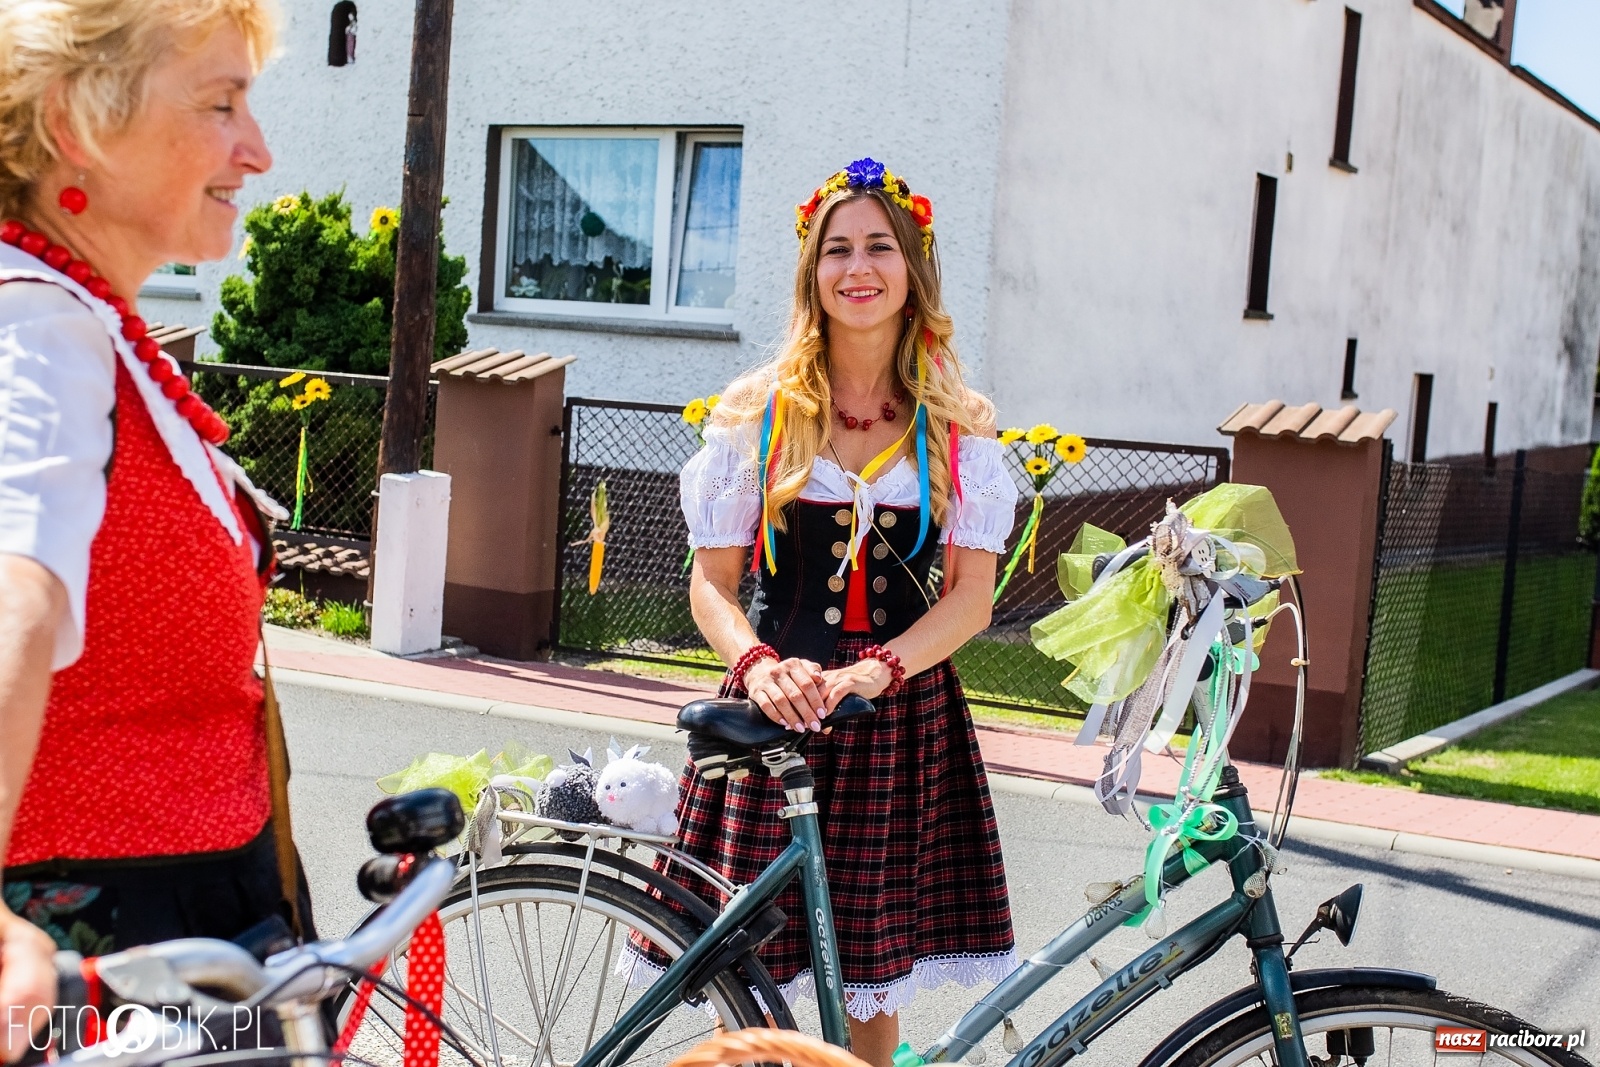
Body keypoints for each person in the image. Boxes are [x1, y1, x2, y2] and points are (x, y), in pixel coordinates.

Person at [673, 158, 1019, 1066]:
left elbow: (971, 601)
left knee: (871, 986)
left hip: (894, 721)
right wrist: (759, 666)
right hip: (774, 706)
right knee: (749, 992)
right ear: (812, 273)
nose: (857, 267)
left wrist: (879, 667)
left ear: (912, 269)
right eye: (837, 249)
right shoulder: (758, 412)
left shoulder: (956, 424)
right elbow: (711, 583)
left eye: (878, 246)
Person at [0, 2, 292, 1060]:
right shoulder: (38, 327)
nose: (257, 149)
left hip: (185, 929)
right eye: (221, 104)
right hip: (107, 954)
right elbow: (14, 592)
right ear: (80, 121)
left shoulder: (85, 322)